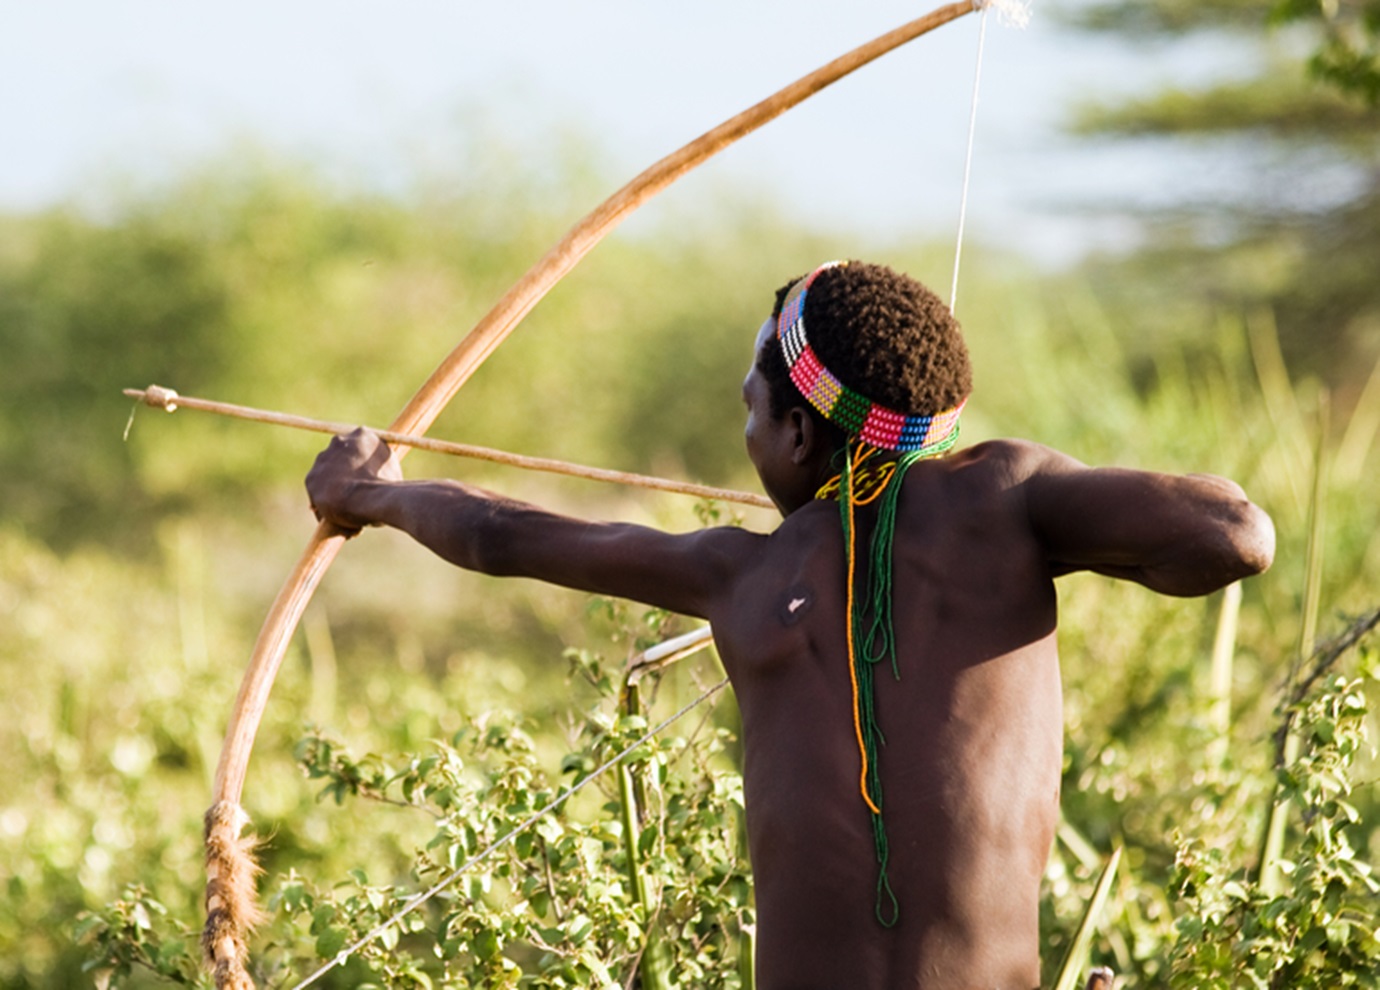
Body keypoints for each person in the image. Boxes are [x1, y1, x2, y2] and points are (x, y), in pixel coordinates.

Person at [306, 260, 1274, 990]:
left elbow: (497, 533)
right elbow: (1234, 534)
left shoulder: (745, 570)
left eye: (752, 413)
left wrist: (370, 495)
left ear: (800, 434)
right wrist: (1015, 496)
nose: (749, 437)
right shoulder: (1006, 502)